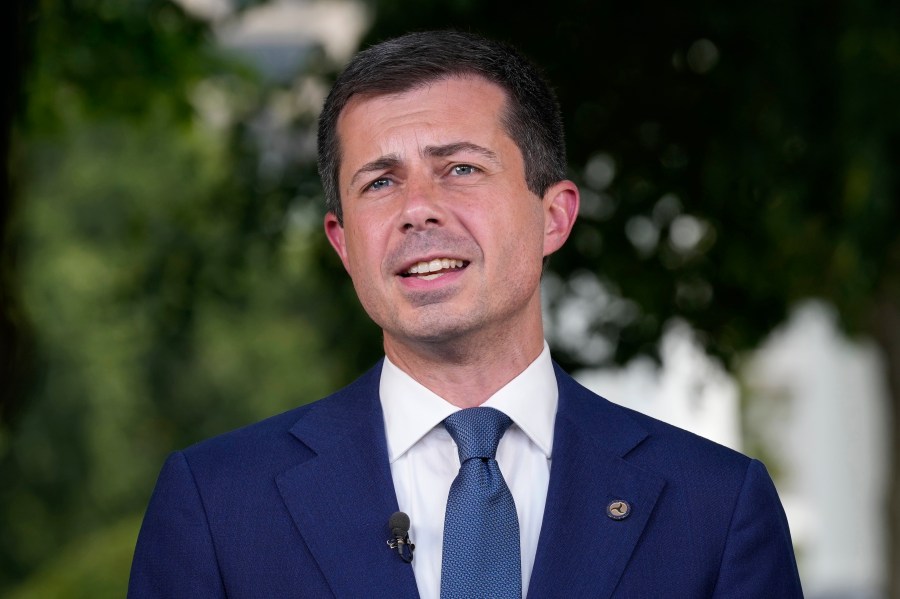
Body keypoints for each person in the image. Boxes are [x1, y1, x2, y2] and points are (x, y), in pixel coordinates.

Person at [128, 30, 803, 598]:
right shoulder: (218, 505)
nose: (418, 208)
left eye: (459, 170)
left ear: (555, 215)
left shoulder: (714, 507)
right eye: (381, 182)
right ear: (342, 242)